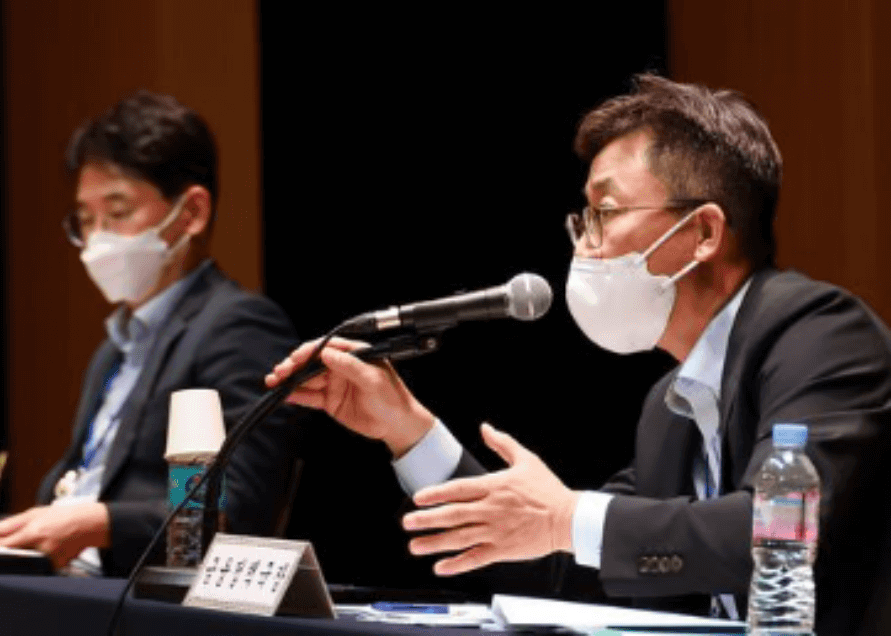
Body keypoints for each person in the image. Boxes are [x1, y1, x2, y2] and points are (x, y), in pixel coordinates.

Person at [270, 75, 891, 630]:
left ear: (703, 232)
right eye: (583, 220)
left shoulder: (821, 334)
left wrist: (566, 516)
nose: (585, 245)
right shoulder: (667, 409)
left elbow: (774, 532)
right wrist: (409, 432)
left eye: (605, 213)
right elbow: (559, 566)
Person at [0, 92, 305, 577]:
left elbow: (236, 509)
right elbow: (68, 515)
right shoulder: (113, 352)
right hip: (71, 588)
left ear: (191, 213)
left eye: (118, 211)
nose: (98, 238)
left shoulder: (240, 327)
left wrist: (99, 523)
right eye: (86, 219)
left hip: (146, 605)